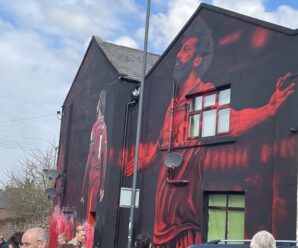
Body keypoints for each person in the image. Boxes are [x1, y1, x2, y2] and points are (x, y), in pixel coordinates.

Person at [125, 16, 295, 248]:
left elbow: (232, 119)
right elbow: (157, 151)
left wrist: (268, 109)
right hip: (162, 220)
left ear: (197, 60)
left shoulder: (204, 93)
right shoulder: (171, 106)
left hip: (185, 219)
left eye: (185, 50)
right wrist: (131, 165)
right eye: (179, 49)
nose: (178, 55)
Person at [81, 90, 108, 225]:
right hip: (97, 176)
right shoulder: (103, 126)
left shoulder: (97, 126)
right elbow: (104, 156)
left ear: (99, 106)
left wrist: (83, 188)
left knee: (91, 213)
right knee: (93, 211)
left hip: (93, 175)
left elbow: (94, 157)